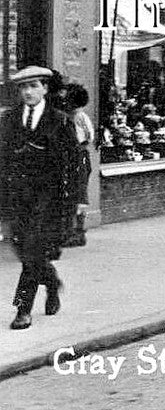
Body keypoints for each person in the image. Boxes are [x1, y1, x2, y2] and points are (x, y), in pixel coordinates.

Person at [0, 65, 82, 330]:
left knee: (33, 249)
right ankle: (52, 280)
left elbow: (75, 162)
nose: (28, 92)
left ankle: (23, 309)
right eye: (23, 87)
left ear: (45, 88)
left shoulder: (59, 120)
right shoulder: (9, 119)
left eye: (34, 86)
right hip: (17, 197)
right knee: (24, 250)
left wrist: (75, 199)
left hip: (49, 199)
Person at [62, 84, 94, 247]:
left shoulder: (79, 117)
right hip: (71, 155)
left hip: (79, 155)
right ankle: (71, 230)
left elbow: (89, 135)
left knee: (79, 192)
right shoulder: (66, 116)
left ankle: (78, 232)